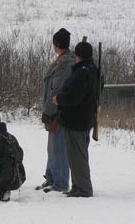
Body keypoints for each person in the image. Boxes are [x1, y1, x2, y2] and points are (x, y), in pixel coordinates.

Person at [52, 41, 99, 197]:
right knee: (76, 156)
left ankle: (83, 189)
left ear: (78, 55)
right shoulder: (93, 70)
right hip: (84, 119)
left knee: (77, 156)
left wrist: (59, 99)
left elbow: (74, 98)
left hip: (76, 121)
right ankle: (78, 186)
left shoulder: (82, 73)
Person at [37, 28, 74, 193]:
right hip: (56, 111)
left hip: (59, 112)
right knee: (53, 147)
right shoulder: (62, 61)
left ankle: (60, 183)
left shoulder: (65, 64)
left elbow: (56, 91)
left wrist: (48, 110)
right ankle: (51, 178)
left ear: (56, 44)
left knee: (59, 148)